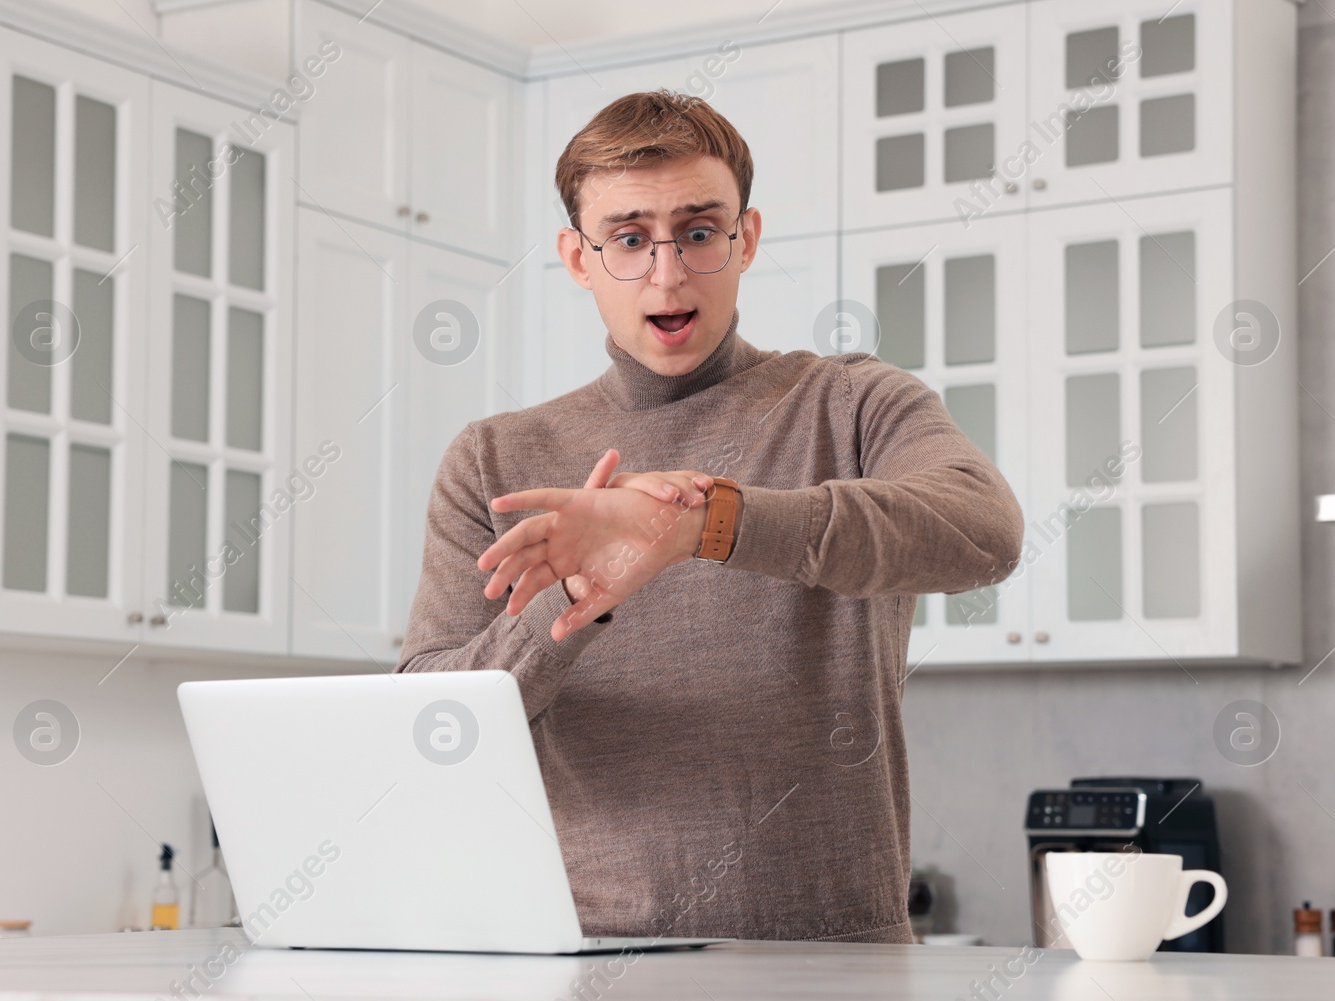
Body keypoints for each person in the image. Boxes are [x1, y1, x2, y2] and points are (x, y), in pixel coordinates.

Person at [396, 90, 1023, 943]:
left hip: (841, 969)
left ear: (745, 239)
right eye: (628, 239)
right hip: (585, 971)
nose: (667, 272)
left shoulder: (849, 402)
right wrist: (577, 594)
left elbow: (984, 529)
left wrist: (705, 525)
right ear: (578, 259)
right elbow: (431, 724)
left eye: (698, 232)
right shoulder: (494, 459)